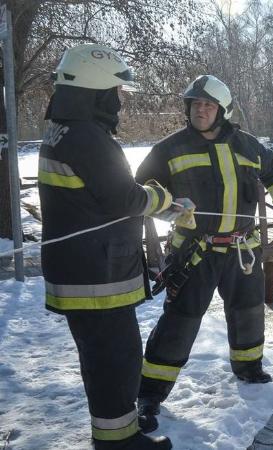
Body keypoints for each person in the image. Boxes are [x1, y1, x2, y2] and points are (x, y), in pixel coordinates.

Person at [134, 75, 273, 431]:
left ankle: (249, 368)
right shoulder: (170, 148)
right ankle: (150, 393)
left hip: (243, 249)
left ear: (222, 110)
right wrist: (167, 208)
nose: (201, 110)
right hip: (195, 251)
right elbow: (143, 187)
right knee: (180, 321)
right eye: (196, 104)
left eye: (208, 105)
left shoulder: (248, 145)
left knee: (248, 312)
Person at [38, 44, 173, 449]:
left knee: (104, 361)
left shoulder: (63, 128)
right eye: (116, 92)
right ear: (96, 91)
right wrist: (164, 200)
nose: (120, 102)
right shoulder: (88, 138)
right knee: (116, 361)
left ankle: (116, 434)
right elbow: (125, 199)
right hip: (97, 279)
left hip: (82, 273)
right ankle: (118, 442)